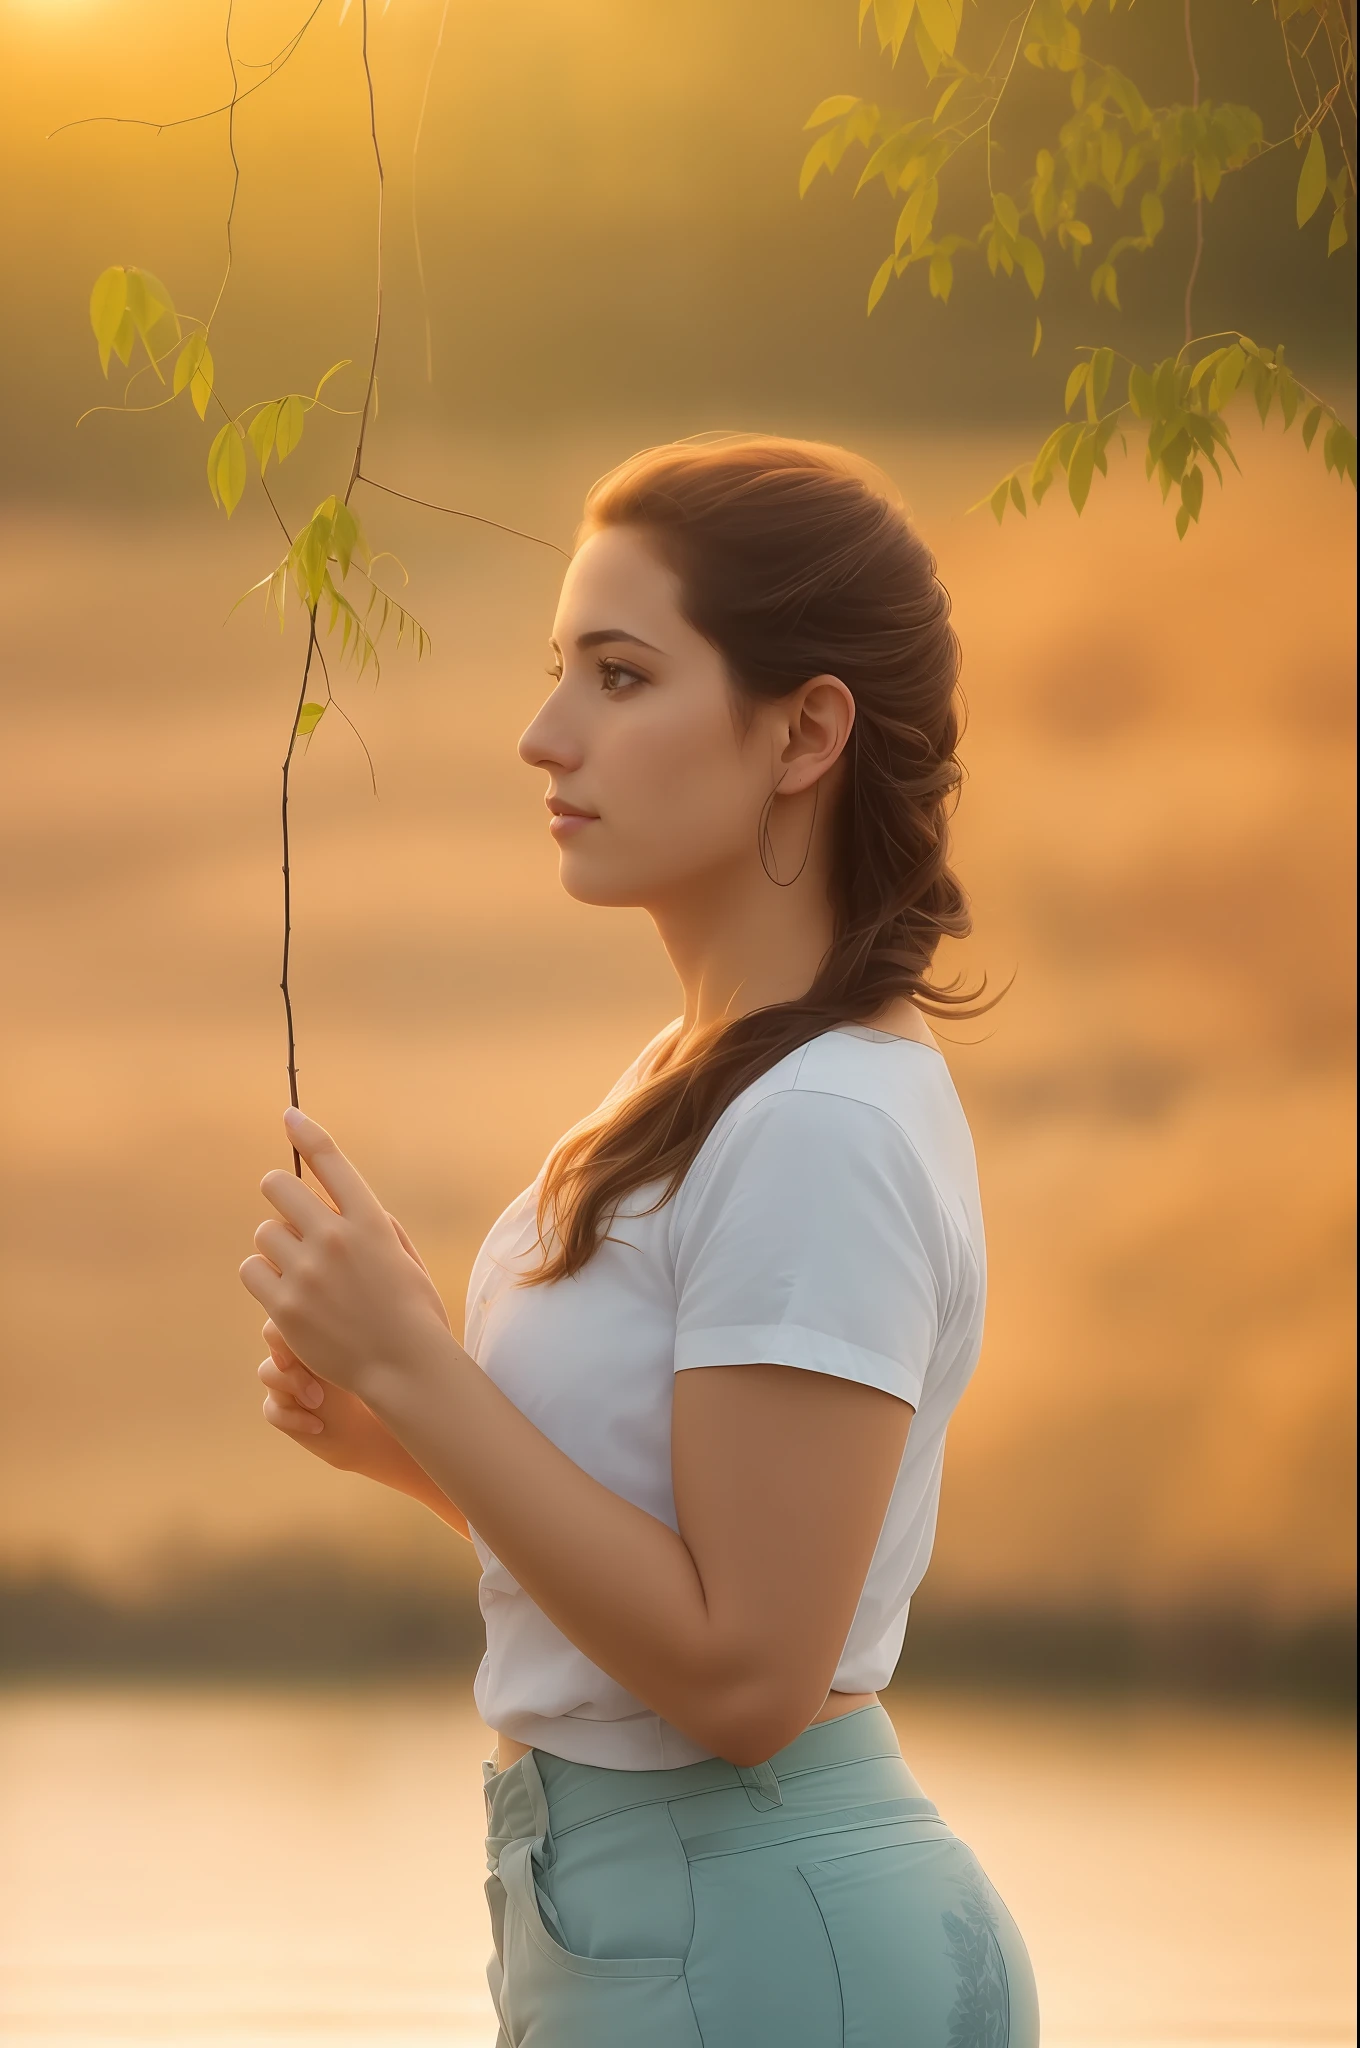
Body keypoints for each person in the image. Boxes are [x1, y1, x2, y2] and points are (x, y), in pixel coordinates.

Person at [241, 434, 1041, 2046]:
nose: (544, 738)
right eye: (560, 673)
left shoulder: (821, 1125)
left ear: (808, 728)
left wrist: (421, 1365)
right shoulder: (702, 1084)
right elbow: (677, 1557)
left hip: (758, 1937)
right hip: (648, 1922)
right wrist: (412, 1441)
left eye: (619, 676)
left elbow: (749, 1679)